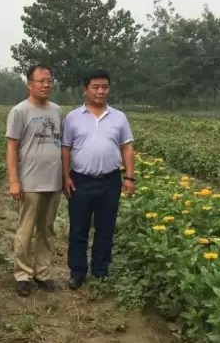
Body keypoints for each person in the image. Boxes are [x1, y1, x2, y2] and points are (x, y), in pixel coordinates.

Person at [61, 69, 136, 290]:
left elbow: (127, 148)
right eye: (95, 87)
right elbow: (65, 149)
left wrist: (129, 177)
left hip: (110, 181)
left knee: (105, 229)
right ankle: (77, 271)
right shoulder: (73, 118)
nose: (101, 91)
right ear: (85, 90)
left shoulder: (119, 117)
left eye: (104, 87)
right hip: (80, 180)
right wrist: (65, 176)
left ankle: (100, 271)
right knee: (78, 229)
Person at [5, 64, 63, 296]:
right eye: (41, 81)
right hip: (30, 180)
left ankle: (42, 272)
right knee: (26, 229)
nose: (46, 85)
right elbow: (12, 147)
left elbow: (61, 144)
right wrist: (14, 181)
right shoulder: (20, 111)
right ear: (30, 84)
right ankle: (22, 274)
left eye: (49, 81)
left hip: (53, 179)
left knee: (46, 229)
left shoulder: (57, 111)